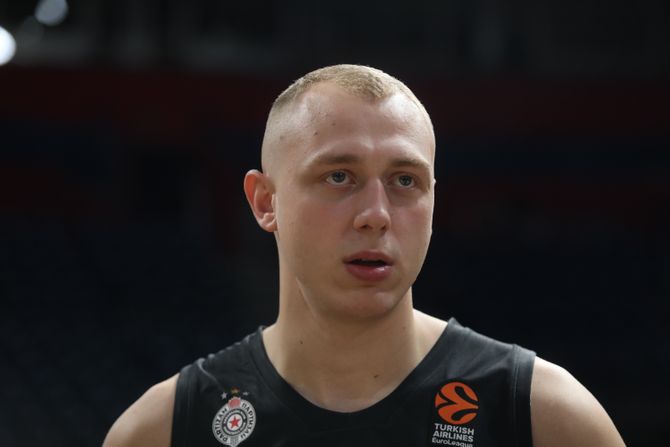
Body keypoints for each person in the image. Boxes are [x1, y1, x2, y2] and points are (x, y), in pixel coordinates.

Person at [103, 64, 625, 447]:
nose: (376, 213)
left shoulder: (547, 418)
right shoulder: (162, 430)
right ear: (266, 202)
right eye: (339, 176)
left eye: (404, 180)